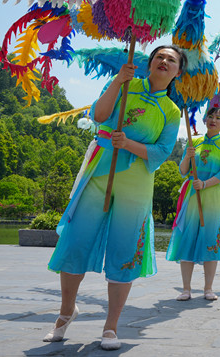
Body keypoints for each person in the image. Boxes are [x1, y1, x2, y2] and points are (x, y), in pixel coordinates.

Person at [44, 45, 186, 350]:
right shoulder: (127, 82)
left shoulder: (172, 111)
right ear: (149, 63)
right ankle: (65, 314)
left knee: (124, 249)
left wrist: (130, 144)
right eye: (159, 57)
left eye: (171, 60)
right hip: (100, 170)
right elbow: (98, 115)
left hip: (136, 181)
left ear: (177, 72)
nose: (164, 61)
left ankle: (111, 327)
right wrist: (117, 81)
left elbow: (161, 153)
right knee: (75, 241)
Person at [166, 107, 220, 301]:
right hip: (191, 195)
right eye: (210, 116)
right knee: (187, 238)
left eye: (218, 118)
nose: (213, 120)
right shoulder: (194, 140)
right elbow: (183, 171)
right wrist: (187, 156)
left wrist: (204, 184)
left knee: (211, 240)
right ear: (205, 120)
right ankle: (186, 288)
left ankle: (208, 288)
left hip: (212, 196)